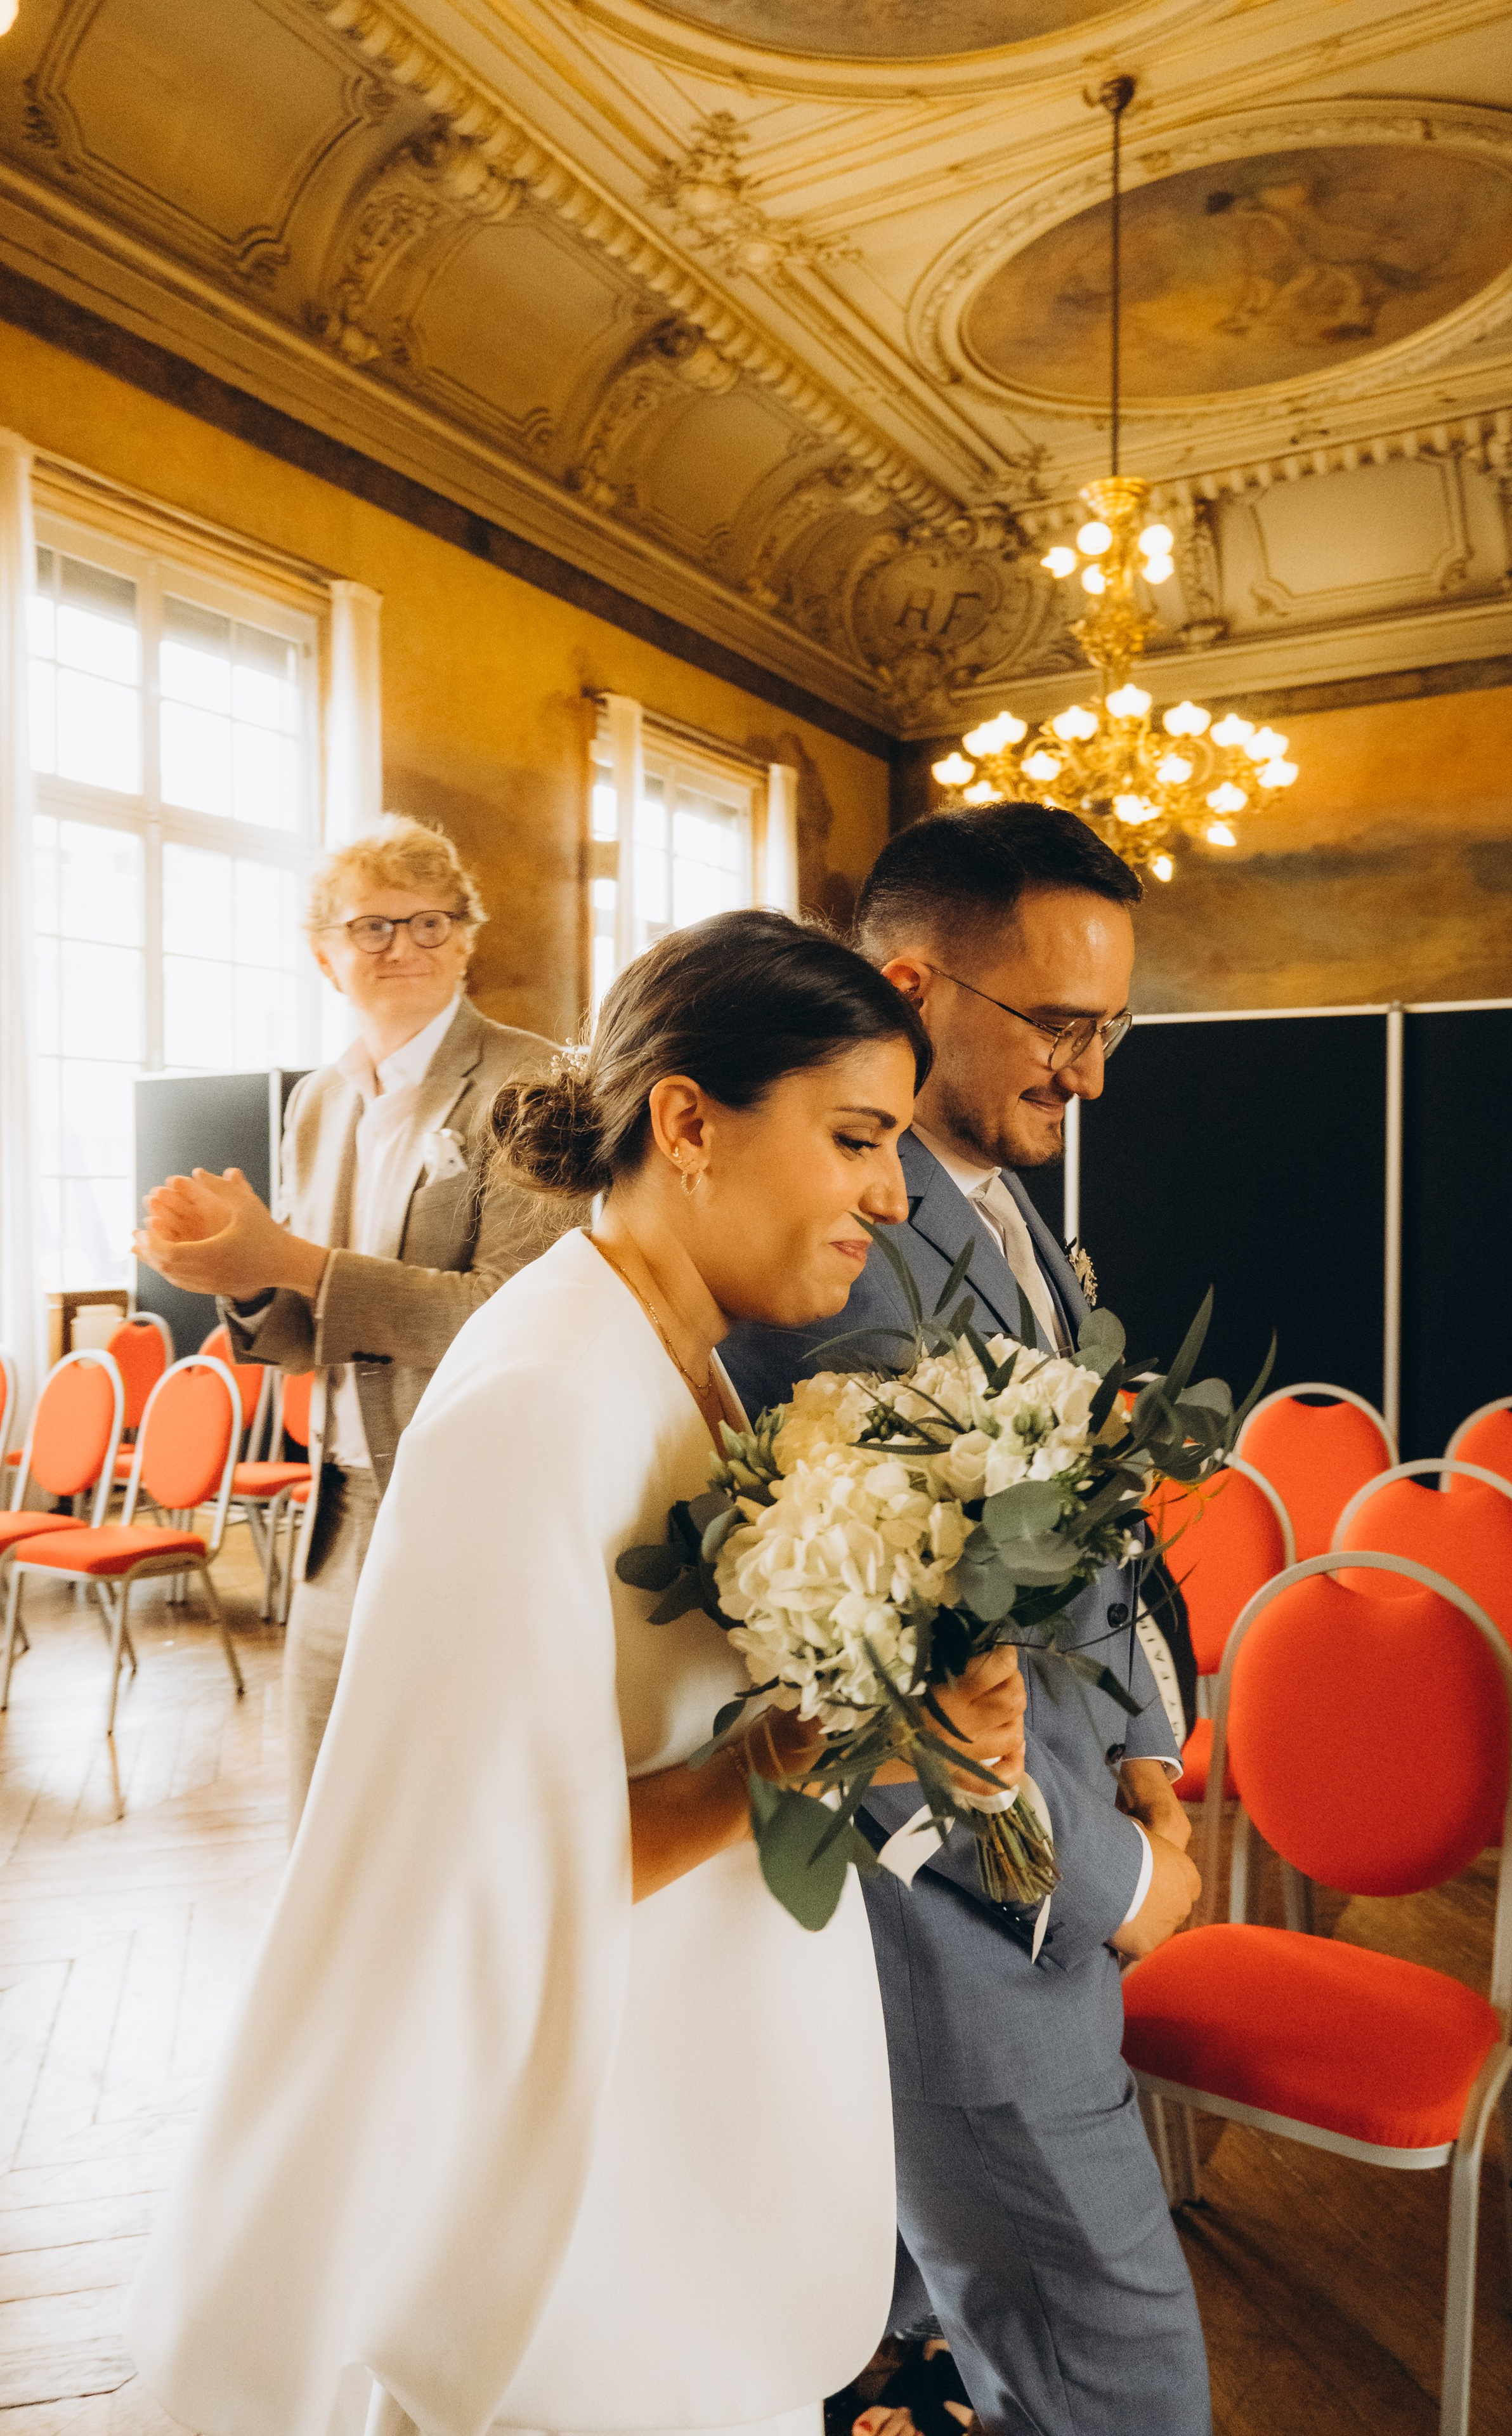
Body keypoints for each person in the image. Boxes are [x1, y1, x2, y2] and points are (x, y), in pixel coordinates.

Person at [125, 907, 1029, 2436]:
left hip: (680, 2090)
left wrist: (897, 1724)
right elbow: (472, 1874)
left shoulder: (680, 1354)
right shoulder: (543, 1395)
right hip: (581, 2164)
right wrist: (815, 1744)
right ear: (687, 1120)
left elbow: (647, 1722)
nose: (889, 1191)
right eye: (857, 1136)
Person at [725, 806, 1211, 2436]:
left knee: (976, 2353)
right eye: (1059, 1025)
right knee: (1127, 2379)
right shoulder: (845, 1257)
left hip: (1063, 1836)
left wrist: (1145, 1755)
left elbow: (1092, 1546)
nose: (1089, 1075)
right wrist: (1117, 1875)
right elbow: (883, 1650)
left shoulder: (1001, 1212)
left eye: (1107, 1027)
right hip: (965, 1927)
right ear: (913, 985)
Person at [136, 813, 578, 1828]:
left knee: (451, 1821)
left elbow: (519, 1316)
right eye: (372, 928)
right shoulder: (319, 1103)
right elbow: (308, 1326)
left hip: (476, 1507)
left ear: (468, 938)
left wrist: (289, 1258)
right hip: (337, 1510)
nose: (405, 949)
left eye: (431, 924)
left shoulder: (531, 1083)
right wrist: (232, 1272)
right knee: (324, 1825)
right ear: (324, 953)